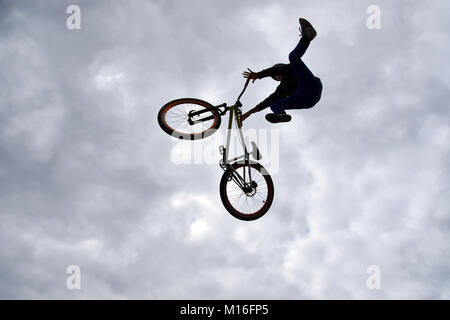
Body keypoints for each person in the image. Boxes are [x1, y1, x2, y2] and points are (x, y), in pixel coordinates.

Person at [241, 18, 323, 123]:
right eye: (275, 78)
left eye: (276, 75)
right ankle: (281, 114)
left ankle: (307, 37)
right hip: (306, 101)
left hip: (311, 85)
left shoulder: (289, 68)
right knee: (273, 103)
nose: (277, 77)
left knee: (293, 57)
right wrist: (247, 114)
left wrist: (258, 75)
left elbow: (276, 70)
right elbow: (265, 103)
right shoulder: (282, 89)